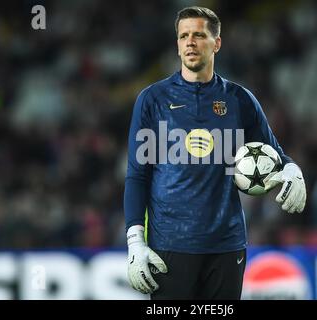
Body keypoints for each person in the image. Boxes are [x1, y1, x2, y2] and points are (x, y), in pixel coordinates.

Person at [124, 6, 306, 299]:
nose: (190, 42)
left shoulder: (240, 100)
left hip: (227, 246)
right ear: (177, 44)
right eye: (184, 36)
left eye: (198, 35)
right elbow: (137, 175)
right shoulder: (152, 100)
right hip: (169, 246)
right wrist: (135, 241)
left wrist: (292, 170)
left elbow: (277, 154)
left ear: (217, 43)